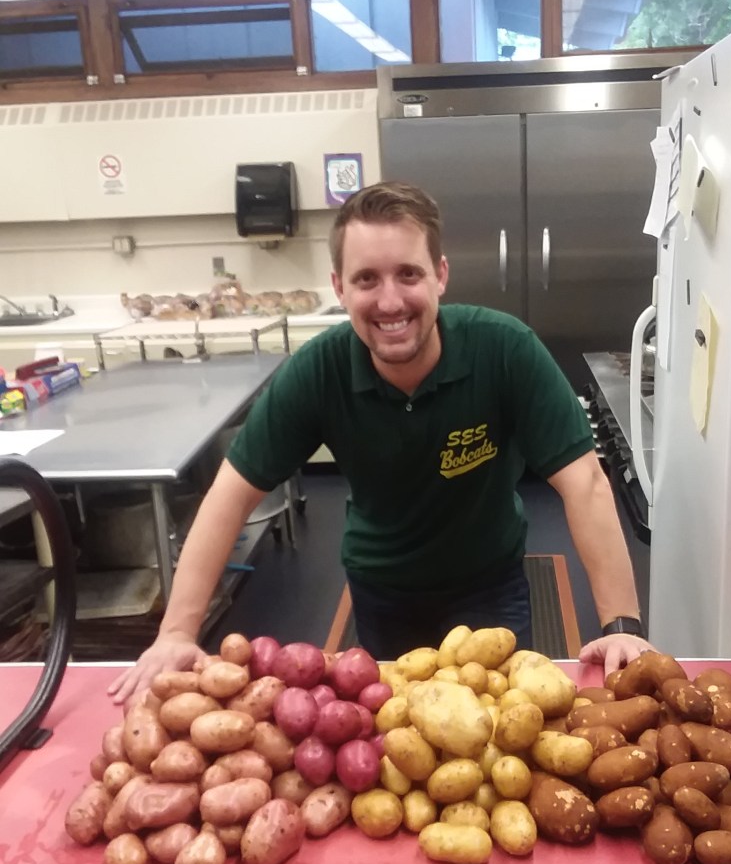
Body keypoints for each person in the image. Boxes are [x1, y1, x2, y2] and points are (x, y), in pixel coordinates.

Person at [109, 181, 653, 706]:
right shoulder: (318, 371)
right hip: (381, 592)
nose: (390, 301)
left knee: (504, 738)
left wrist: (622, 628)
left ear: (440, 275)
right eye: (367, 279)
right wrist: (176, 633)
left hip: (491, 587)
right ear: (339, 286)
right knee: (393, 754)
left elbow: (584, 483)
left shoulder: (505, 349)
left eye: (408, 274)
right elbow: (230, 494)